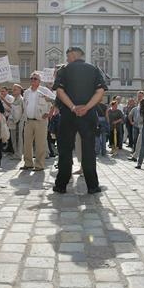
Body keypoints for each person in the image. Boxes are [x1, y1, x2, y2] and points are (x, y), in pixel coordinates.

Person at [53, 47, 107, 194]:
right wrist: (87, 107)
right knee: (89, 151)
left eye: (67, 56)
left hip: (68, 115)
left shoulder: (64, 70)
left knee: (65, 150)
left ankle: (61, 185)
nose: (67, 60)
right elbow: (100, 91)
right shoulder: (94, 69)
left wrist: (72, 107)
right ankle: (93, 186)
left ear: (72, 55)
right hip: (88, 115)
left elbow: (59, 90)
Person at [20, 72, 52, 171]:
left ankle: (39, 165)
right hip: (28, 121)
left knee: (40, 144)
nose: (33, 80)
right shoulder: (26, 92)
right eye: (32, 78)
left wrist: (50, 113)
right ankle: (28, 163)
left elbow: (55, 101)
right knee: (27, 143)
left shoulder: (44, 90)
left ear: (39, 81)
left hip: (41, 121)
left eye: (35, 78)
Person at [8, 84, 24, 158]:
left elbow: (22, 111)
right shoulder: (14, 99)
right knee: (13, 138)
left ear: (20, 91)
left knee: (18, 139)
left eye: (15, 89)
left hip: (18, 122)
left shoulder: (21, 99)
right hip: (13, 121)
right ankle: (16, 153)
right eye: (13, 89)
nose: (13, 91)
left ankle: (18, 154)